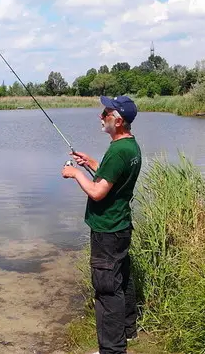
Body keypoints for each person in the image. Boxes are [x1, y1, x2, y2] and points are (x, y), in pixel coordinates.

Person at [61, 95, 142, 354]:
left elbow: (97, 192)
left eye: (106, 112)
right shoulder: (130, 147)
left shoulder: (119, 151)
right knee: (122, 280)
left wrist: (76, 173)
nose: (101, 116)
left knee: (107, 289)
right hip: (121, 225)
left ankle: (112, 350)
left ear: (117, 121)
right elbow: (112, 177)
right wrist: (92, 164)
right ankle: (128, 331)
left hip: (107, 230)